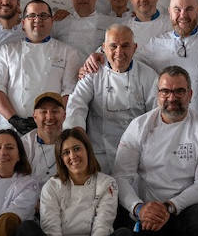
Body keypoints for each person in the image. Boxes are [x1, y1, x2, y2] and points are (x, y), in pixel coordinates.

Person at [98, 67, 198, 236]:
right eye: (165, 92)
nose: (172, 98)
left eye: (179, 92)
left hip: (186, 209)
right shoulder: (140, 125)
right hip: (148, 212)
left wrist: (169, 207)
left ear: (190, 95)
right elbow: (121, 177)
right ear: (157, 94)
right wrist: (138, 208)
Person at [15, 128, 118, 236]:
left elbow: (103, 226)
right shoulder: (52, 186)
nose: (73, 156)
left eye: (77, 149)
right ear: (61, 159)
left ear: (87, 150)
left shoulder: (107, 182)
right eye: (66, 152)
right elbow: (51, 229)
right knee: (26, 229)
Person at [64, 25, 158, 172]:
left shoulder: (148, 76)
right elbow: (76, 104)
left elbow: (156, 115)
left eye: (125, 45)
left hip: (137, 154)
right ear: (104, 48)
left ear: (134, 48)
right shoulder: (93, 73)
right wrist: (77, 136)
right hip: (99, 153)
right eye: (113, 46)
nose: (119, 52)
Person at [0, 0, 83, 135]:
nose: (37, 19)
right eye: (31, 16)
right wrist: (13, 119)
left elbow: (69, 92)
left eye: (43, 16)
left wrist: (47, 119)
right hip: (11, 128)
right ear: (23, 24)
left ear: (51, 21)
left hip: (51, 127)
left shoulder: (68, 52)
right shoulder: (7, 51)